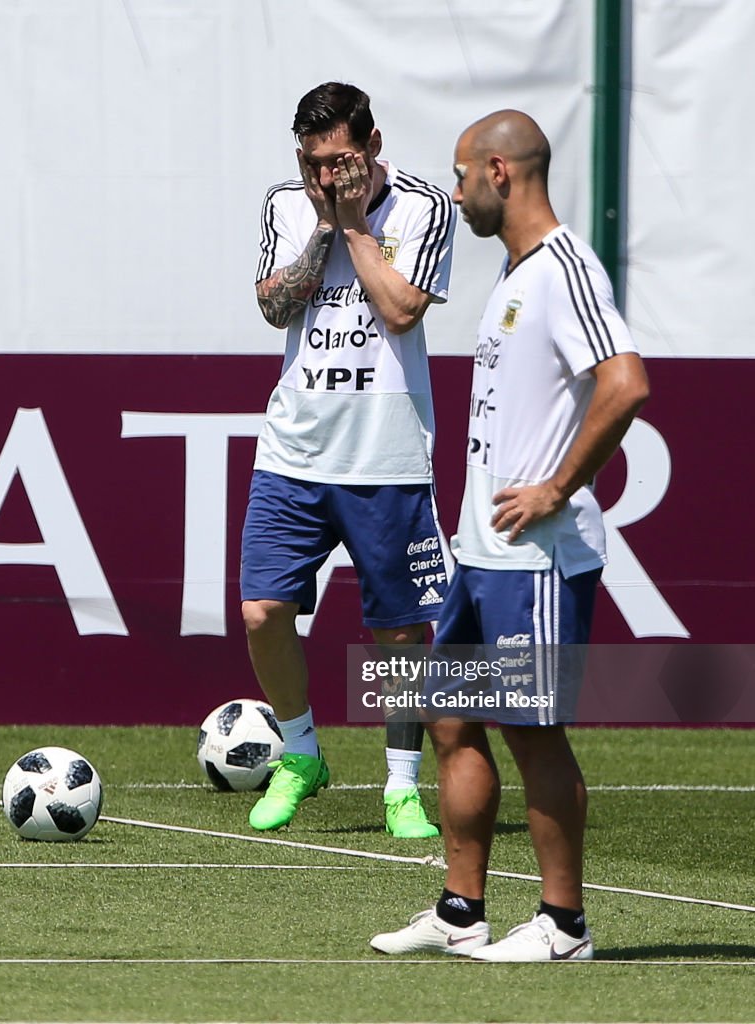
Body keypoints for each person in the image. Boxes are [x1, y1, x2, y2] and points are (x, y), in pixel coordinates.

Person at [370, 110, 649, 958]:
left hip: (536, 559)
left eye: (459, 176)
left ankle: (565, 925)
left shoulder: (566, 269)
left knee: (531, 730)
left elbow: (626, 384)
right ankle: (461, 913)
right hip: (482, 556)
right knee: (451, 720)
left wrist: (559, 487)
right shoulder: (516, 272)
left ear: (499, 170)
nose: (453, 194)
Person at [241, 82, 455, 837]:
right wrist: (325, 230)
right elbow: (273, 304)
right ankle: (301, 755)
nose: (327, 177)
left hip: (387, 456)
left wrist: (357, 223)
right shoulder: (285, 203)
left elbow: (400, 310)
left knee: (398, 632)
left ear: (370, 145)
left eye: (340, 160)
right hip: (294, 449)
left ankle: (401, 787)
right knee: (263, 611)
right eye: (313, 162)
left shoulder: (425, 206)